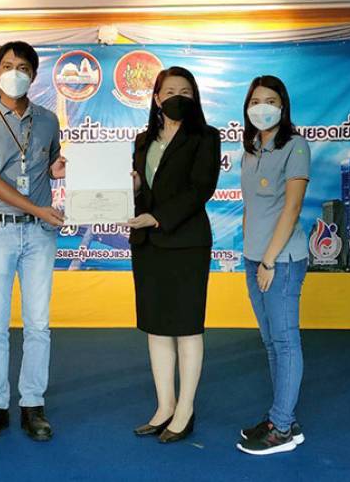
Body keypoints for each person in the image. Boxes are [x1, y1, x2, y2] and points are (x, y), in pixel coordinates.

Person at [0, 41, 66, 442]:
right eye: (7, 65)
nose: (14, 73)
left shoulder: (48, 120)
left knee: (38, 324)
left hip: (40, 235)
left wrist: (57, 170)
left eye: (22, 67)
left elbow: (50, 164)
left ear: (34, 75)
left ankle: (32, 404)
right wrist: (39, 209)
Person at [129, 66, 221, 443]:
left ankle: (185, 409)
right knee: (156, 327)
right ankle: (164, 406)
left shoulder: (206, 137)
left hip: (186, 243)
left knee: (186, 327)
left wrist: (159, 217)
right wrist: (134, 187)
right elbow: (143, 191)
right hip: (147, 245)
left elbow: (201, 188)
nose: (176, 97)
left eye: (184, 91)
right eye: (169, 91)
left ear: (194, 97)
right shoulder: (142, 140)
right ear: (156, 98)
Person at [236, 75, 311, 456]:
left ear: (283, 106)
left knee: (285, 341)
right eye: (255, 101)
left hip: (280, 261)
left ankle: (281, 428)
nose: (261, 107)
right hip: (254, 259)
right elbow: (251, 206)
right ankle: (284, 416)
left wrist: (268, 260)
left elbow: (292, 207)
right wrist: (251, 256)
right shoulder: (251, 149)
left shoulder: (295, 145)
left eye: (270, 101)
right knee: (270, 342)